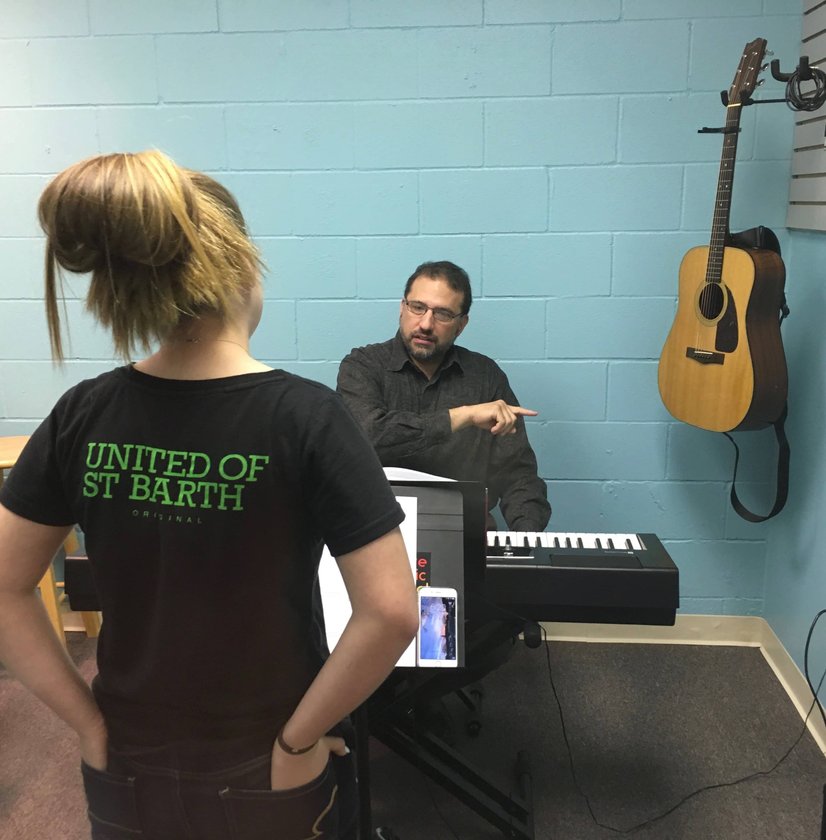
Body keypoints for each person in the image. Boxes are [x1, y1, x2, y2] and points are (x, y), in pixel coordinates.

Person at [0, 151, 418, 840]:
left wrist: (86, 721)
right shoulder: (307, 417)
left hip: (122, 763)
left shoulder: (82, 413)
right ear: (242, 270)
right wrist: (298, 741)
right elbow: (393, 612)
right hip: (267, 764)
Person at [337, 261, 551, 532]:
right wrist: (464, 416)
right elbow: (369, 434)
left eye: (443, 314)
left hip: (465, 533)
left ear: (461, 325)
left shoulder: (486, 377)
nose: (426, 324)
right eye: (417, 307)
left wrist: (525, 539)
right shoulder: (362, 366)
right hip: (376, 534)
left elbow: (517, 475)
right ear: (401, 309)